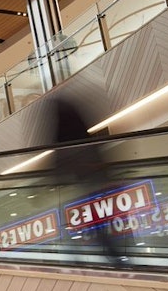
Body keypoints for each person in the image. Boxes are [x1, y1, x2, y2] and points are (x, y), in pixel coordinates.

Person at [47, 88, 122, 263]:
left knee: (72, 220)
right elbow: (94, 150)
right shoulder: (79, 126)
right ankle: (114, 256)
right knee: (98, 220)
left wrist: (55, 178)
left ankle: (74, 258)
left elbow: (58, 155)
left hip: (77, 182)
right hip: (92, 180)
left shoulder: (59, 127)